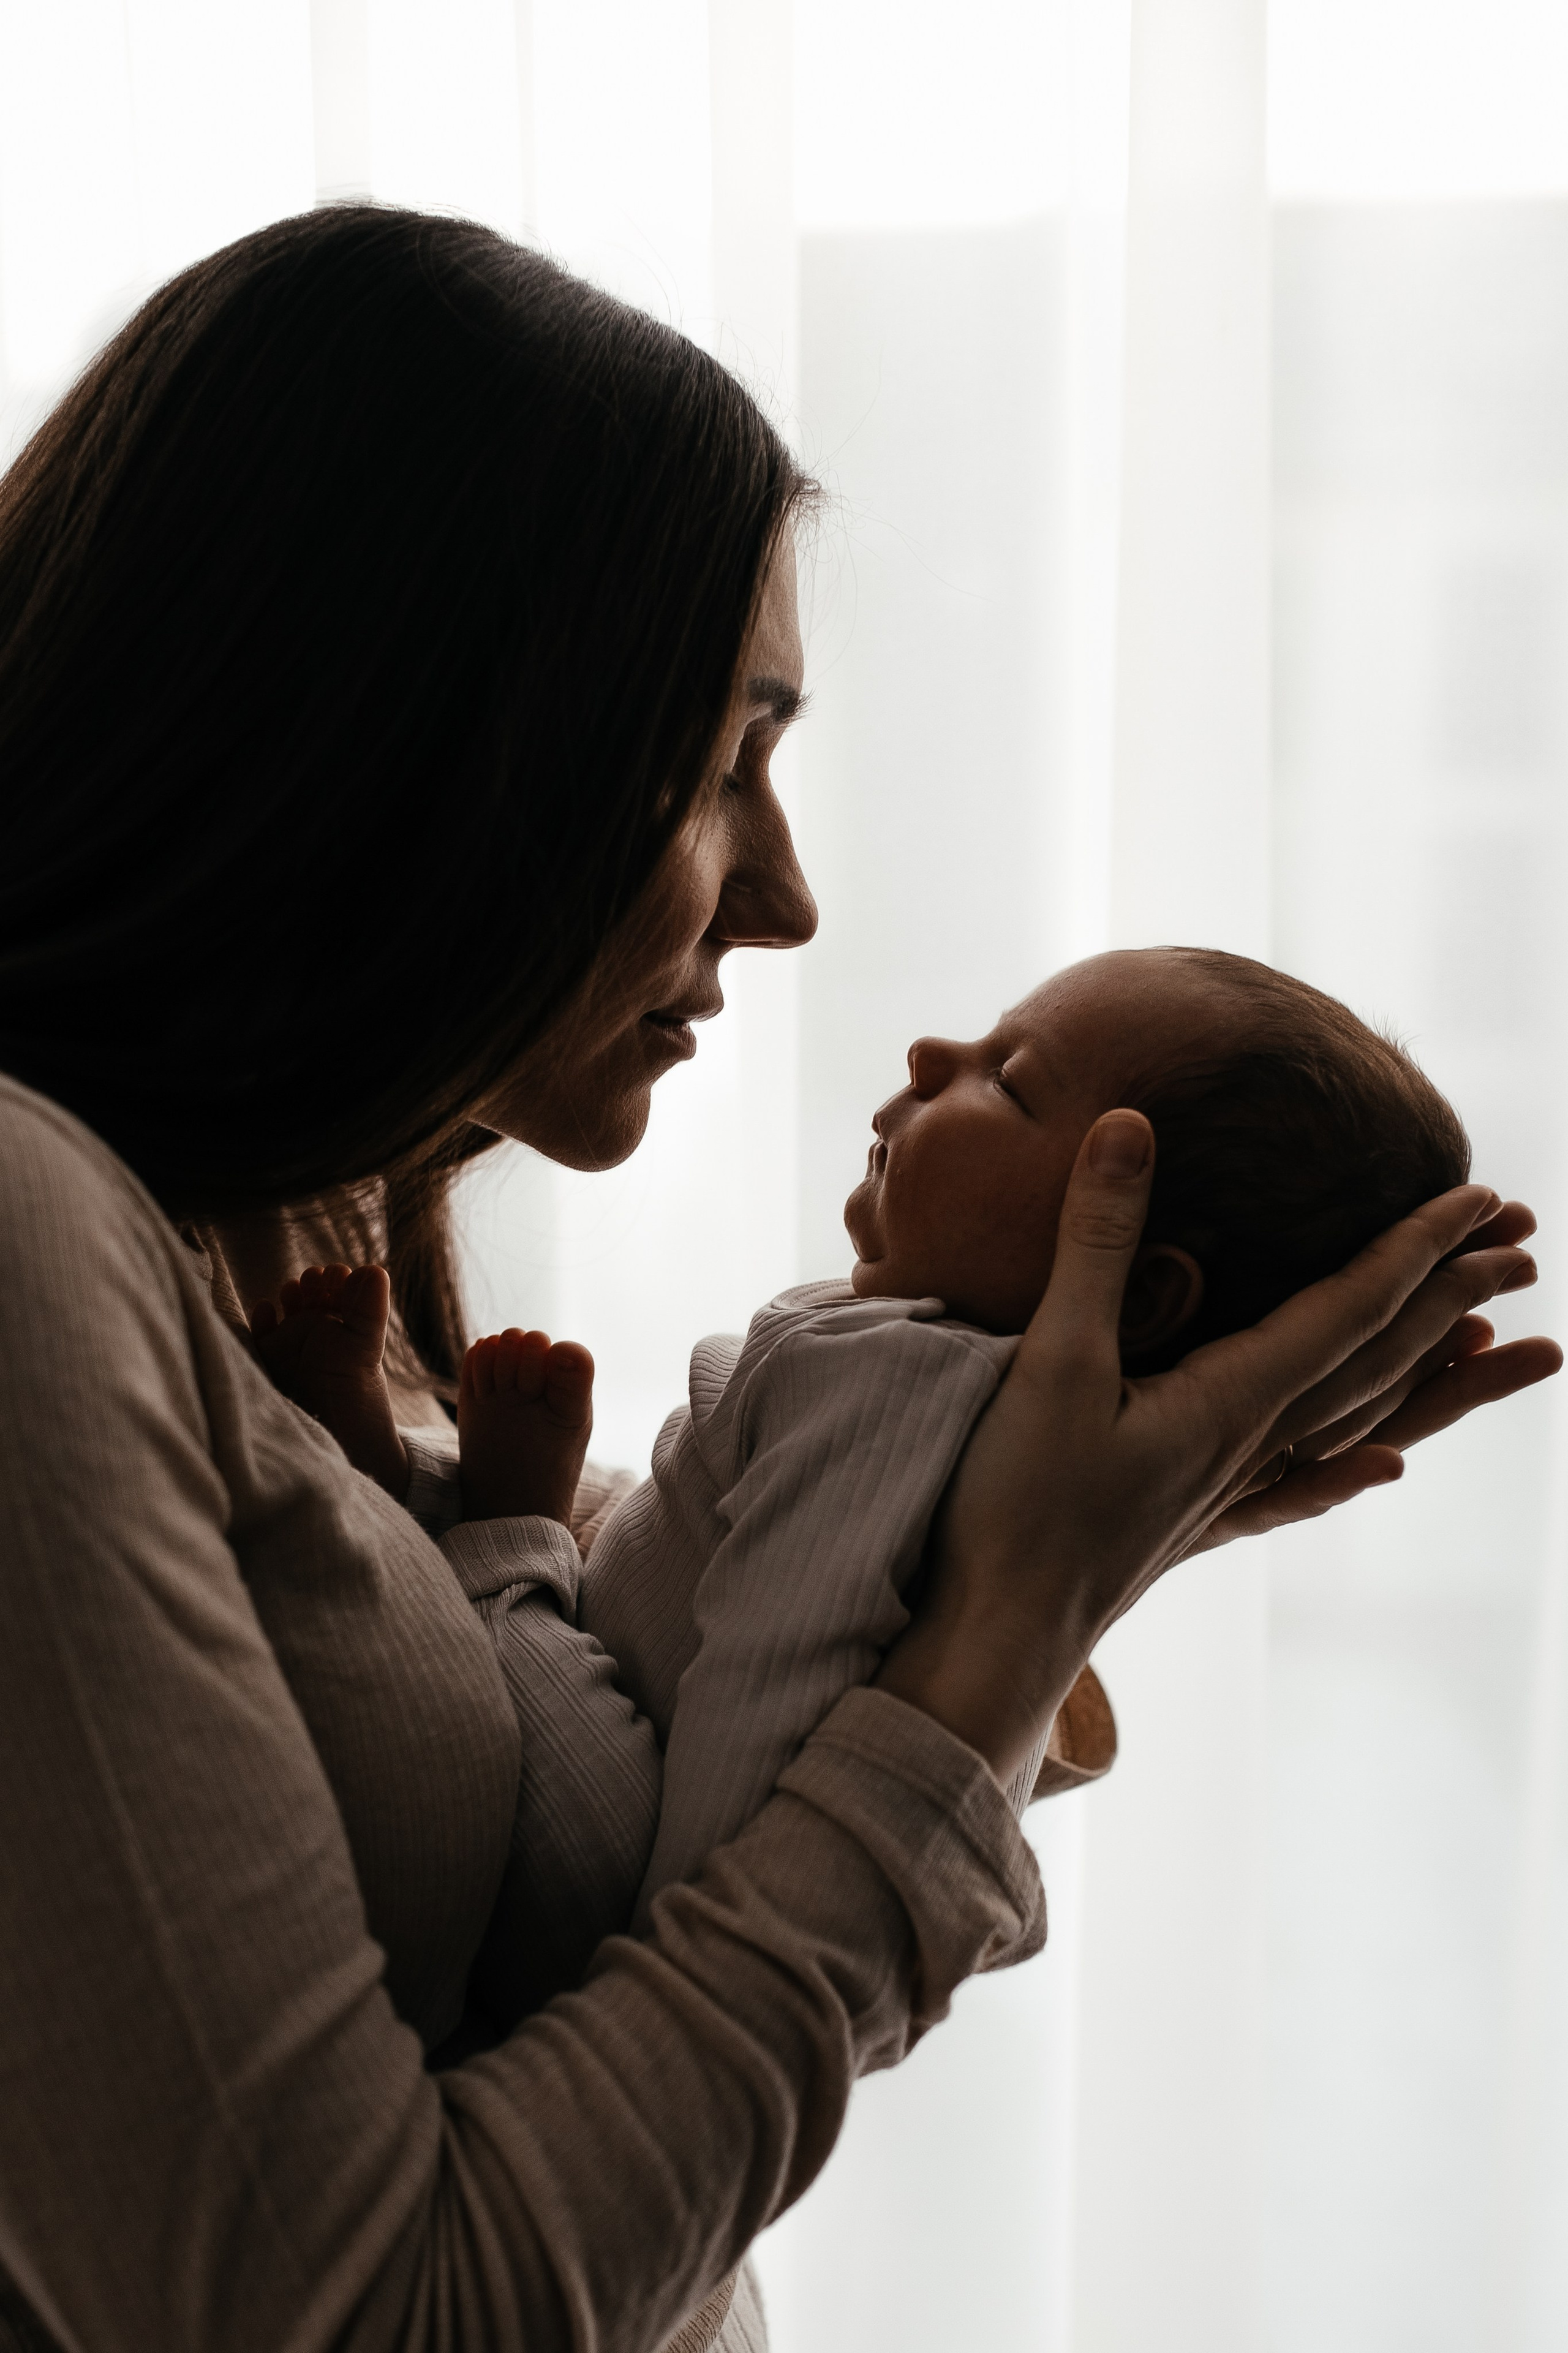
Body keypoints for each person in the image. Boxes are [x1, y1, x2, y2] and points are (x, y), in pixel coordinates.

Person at [0, 204, 1554, 2353]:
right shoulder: (25, 1233)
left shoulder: (306, 1223)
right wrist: (998, 1637)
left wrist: (1052, 1524)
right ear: (413, 734)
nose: (797, 899)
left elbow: (675, 1797)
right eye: (727, 761)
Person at [246, 943, 1472, 2007]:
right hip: (622, 1702)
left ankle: (456, 1512)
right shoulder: (931, 1383)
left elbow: (746, 1736)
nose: (935, 1053)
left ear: (1135, 1288)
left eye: (1010, 1080)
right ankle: (393, 1478)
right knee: (507, 1558)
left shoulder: (896, 1389)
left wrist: (524, 1528)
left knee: (510, 1574)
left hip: (607, 1865)